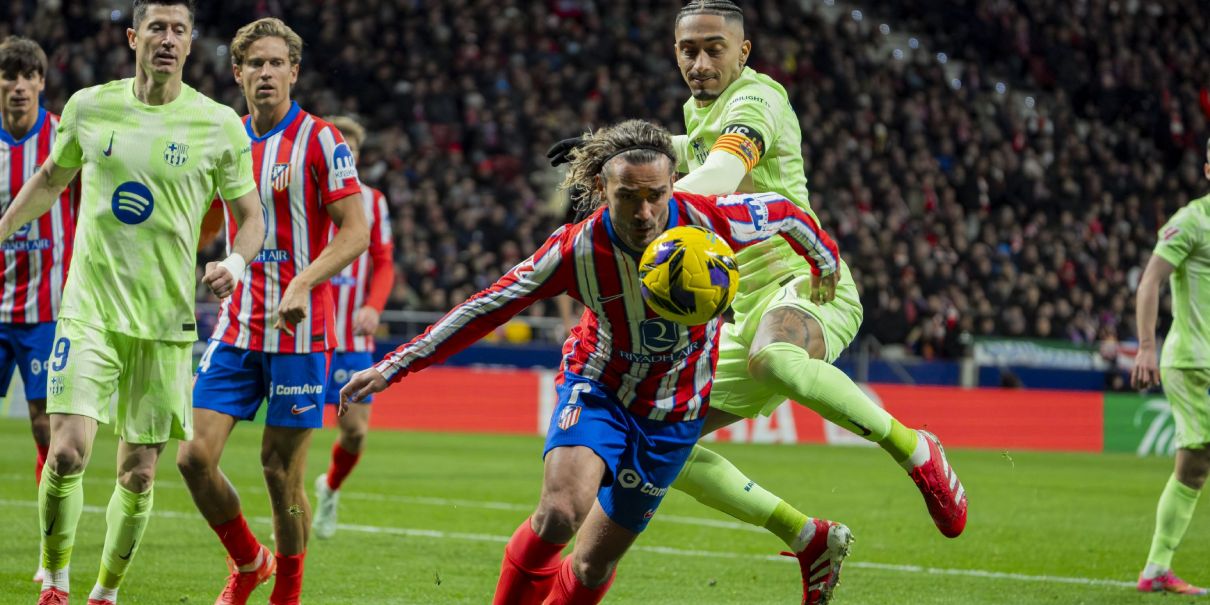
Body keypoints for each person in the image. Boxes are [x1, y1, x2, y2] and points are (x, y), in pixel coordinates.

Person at [547, 3, 967, 598]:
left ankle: (915, 449)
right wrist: (608, 150)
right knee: (660, 443)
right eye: (688, 50)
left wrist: (639, 206)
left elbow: (720, 172)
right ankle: (807, 536)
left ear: (743, 52)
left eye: (714, 48)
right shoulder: (699, 112)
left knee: (774, 357)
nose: (700, 62)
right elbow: (690, 145)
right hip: (742, 312)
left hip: (810, 282)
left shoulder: (757, 99)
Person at [341, 119, 851, 605]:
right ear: (603, 190)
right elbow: (486, 306)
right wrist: (394, 364)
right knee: (559, 514)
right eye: (628, 196)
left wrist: (824, 260)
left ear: (674, 183)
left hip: (674, 412)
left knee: (591, 566)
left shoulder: (711, 220)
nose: (644, 212)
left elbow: (786, 212)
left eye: (656, 195)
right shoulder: (575, 250)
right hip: (598, 389)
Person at [0, 2, 266, 604]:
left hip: (164, 323)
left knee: (139, 474)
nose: (168, 39)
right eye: (157, 28)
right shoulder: (89, 107)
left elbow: (252, 216)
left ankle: (105, 593)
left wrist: (234, 262)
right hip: (89, 309)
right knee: (65, 454)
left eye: (179, 30)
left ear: (191, 43)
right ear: (132, 37)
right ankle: (56, 582)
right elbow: (51, 178)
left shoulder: (218, 124)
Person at [175, 17, 369, 605]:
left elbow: (356, 231)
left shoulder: (322, 140)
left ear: (294, 72)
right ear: (237, 73)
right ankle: (248, 561)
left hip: (299, 335)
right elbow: (210, 220)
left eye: (276, 63)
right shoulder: (225, 138)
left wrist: (303, 282)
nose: (266, 73)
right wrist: (212, 262)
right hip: (237, 326)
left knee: (280, 475)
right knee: (192, 457)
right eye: (255, 63)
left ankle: (287, 594)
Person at [0, 35, 79, 585]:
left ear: (42, 83)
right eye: (9, 76)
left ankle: (50, 551)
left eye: (29, 76)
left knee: (44, 426)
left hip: (46, 311)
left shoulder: (62, 137)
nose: (19, 86)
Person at [1131, 139, 1210, 596]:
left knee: (1194, 468)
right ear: (1208, 171)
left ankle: (1156, 568)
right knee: (1197, 460)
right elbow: (1150, 281)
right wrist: (1145, 346)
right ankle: (1156, 567)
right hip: (1192, 362)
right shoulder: (1192, 220)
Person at [312, 115, 395, 539]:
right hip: (308, 333)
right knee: (293, 434)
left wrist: (373, 306)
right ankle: (290, 515)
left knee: (356, 432)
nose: (346, 156)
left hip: (352, 339)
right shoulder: (306, 193)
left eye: (352, 151)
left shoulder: (373, 202)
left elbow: (384, 263)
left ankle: (329, 488)